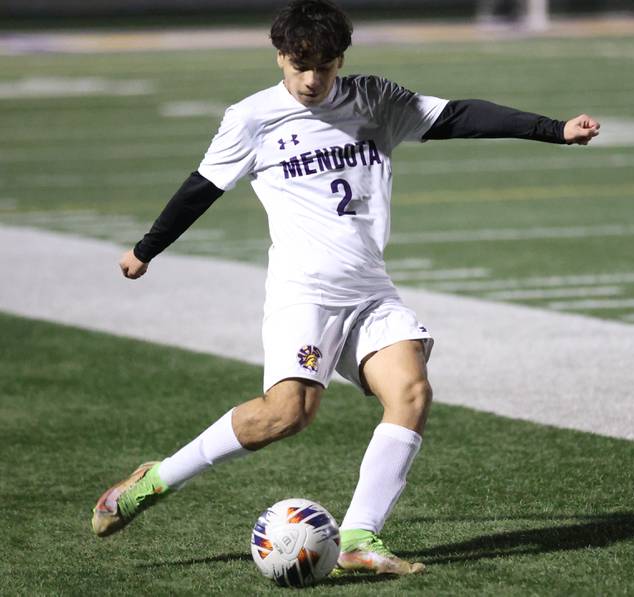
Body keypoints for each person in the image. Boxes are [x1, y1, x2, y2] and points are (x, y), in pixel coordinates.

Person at [92, 0, 599, 576]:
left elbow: (456, 116)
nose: (312, 80)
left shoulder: (375, 99)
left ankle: (359, 537)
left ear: (341, 60)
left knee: (411, 393)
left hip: (369, 289)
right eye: (300, 65)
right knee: (286, 416)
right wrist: (146, 248)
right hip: (303, 293)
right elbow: (202, 187)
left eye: (326, 66)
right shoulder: (251, 117)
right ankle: (151, 482)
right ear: (280, 55)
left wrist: (553, 130)